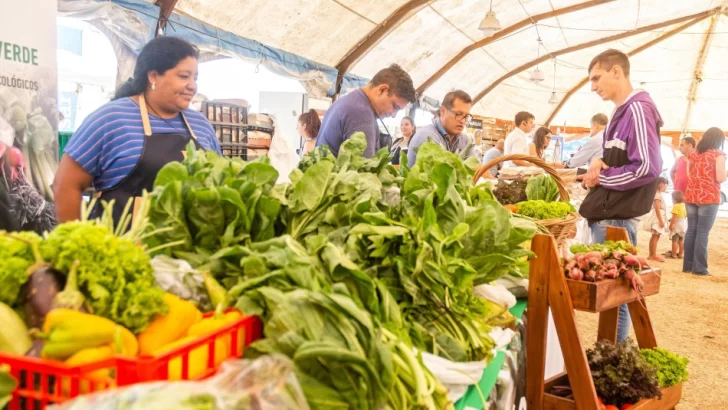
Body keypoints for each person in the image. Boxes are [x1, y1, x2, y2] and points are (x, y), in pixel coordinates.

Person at [54, 36, 221, 225]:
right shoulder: (111, 119)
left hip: (187, 252)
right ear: (153, 76)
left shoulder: (201, 125)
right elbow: (66, 185)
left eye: (195, 78)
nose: (192, 85)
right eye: (184, 76)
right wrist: (77, 242)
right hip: (124, 249)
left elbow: (218, 183)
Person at [579, 49, 663, 343]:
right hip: (611, 214)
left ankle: (610, 354)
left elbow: (647, 168)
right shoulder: (621, 111)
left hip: (616, 217)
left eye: (597, 78)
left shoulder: (638, 109)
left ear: (617, 72)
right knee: (614, 293)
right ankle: (611, 354)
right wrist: (597, 162)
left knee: (616, 295)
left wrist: (603, 176)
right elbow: (617, 155)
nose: (593, 86)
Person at [316, 64, 416, 158]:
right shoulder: (361, 114)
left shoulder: (349, 101)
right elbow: (364, 173)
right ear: (382, 90)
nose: (394, 115)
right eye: (395, 106)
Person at [683, 127, 726, 276]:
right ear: (719, 140)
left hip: (691, 195)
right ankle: (699, 268)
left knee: (691, 230)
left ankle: (688, 266)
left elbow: (689, 175)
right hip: (708, 196)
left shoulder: (694, 154)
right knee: (702, 232)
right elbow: (720, 178)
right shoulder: (718, 155)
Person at [407, 90, 475, 167]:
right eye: (458, 114)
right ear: (443, 111)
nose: (463, 121)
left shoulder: (465, 140)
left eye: (466, 116)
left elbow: (477, 170)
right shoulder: (427, 137)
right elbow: (441, 175)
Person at [642, 177, 669, 262]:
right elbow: (657, 208)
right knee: (655, 236)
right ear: (661, 184)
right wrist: (661, 221)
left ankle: (652, 254)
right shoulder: (657, 195)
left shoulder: (657, 194)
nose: (666, 187)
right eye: (665, 185)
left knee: (656, 236)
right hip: (658, 218)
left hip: (658, 217)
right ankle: (652, 255)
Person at [668, 190, 687, 259]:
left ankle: (674, 254)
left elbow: (674, 218)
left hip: (677, 225)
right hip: (684, 224)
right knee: (681, 241)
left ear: (675, 199)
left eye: (672, 199)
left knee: (675, 240)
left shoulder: (676, 206)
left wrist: (671, 225)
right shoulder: (684, 205)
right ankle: (681, 254)